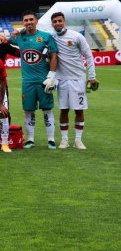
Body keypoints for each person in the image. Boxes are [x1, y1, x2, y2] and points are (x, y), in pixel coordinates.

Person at [8, 10, 59, 149]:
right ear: (23, 22)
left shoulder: (46, 37)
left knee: (47, 110)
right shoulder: (19, 37)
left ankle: (51, 139)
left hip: (44, 80)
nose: (29, 22)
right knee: (28, 110)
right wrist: (17, 30)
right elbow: (6, 39)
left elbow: (54, 56)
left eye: (31, 19)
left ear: (36, 21)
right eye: (26, 20)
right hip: (27, 81)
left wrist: (51, 76)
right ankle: (30, 140)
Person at [49, 12, 97, 149]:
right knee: (63, 110)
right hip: (61, 80)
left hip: (78, 79)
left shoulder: (77, 36)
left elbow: (88, 56)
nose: (57, 23)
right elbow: (32, 28)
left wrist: (92, 76)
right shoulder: (51, 37)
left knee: (79, 111)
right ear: (52, 24)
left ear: (64, 22)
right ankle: (64, 140)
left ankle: (78, 140)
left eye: (60, 21)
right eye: (55, 21)